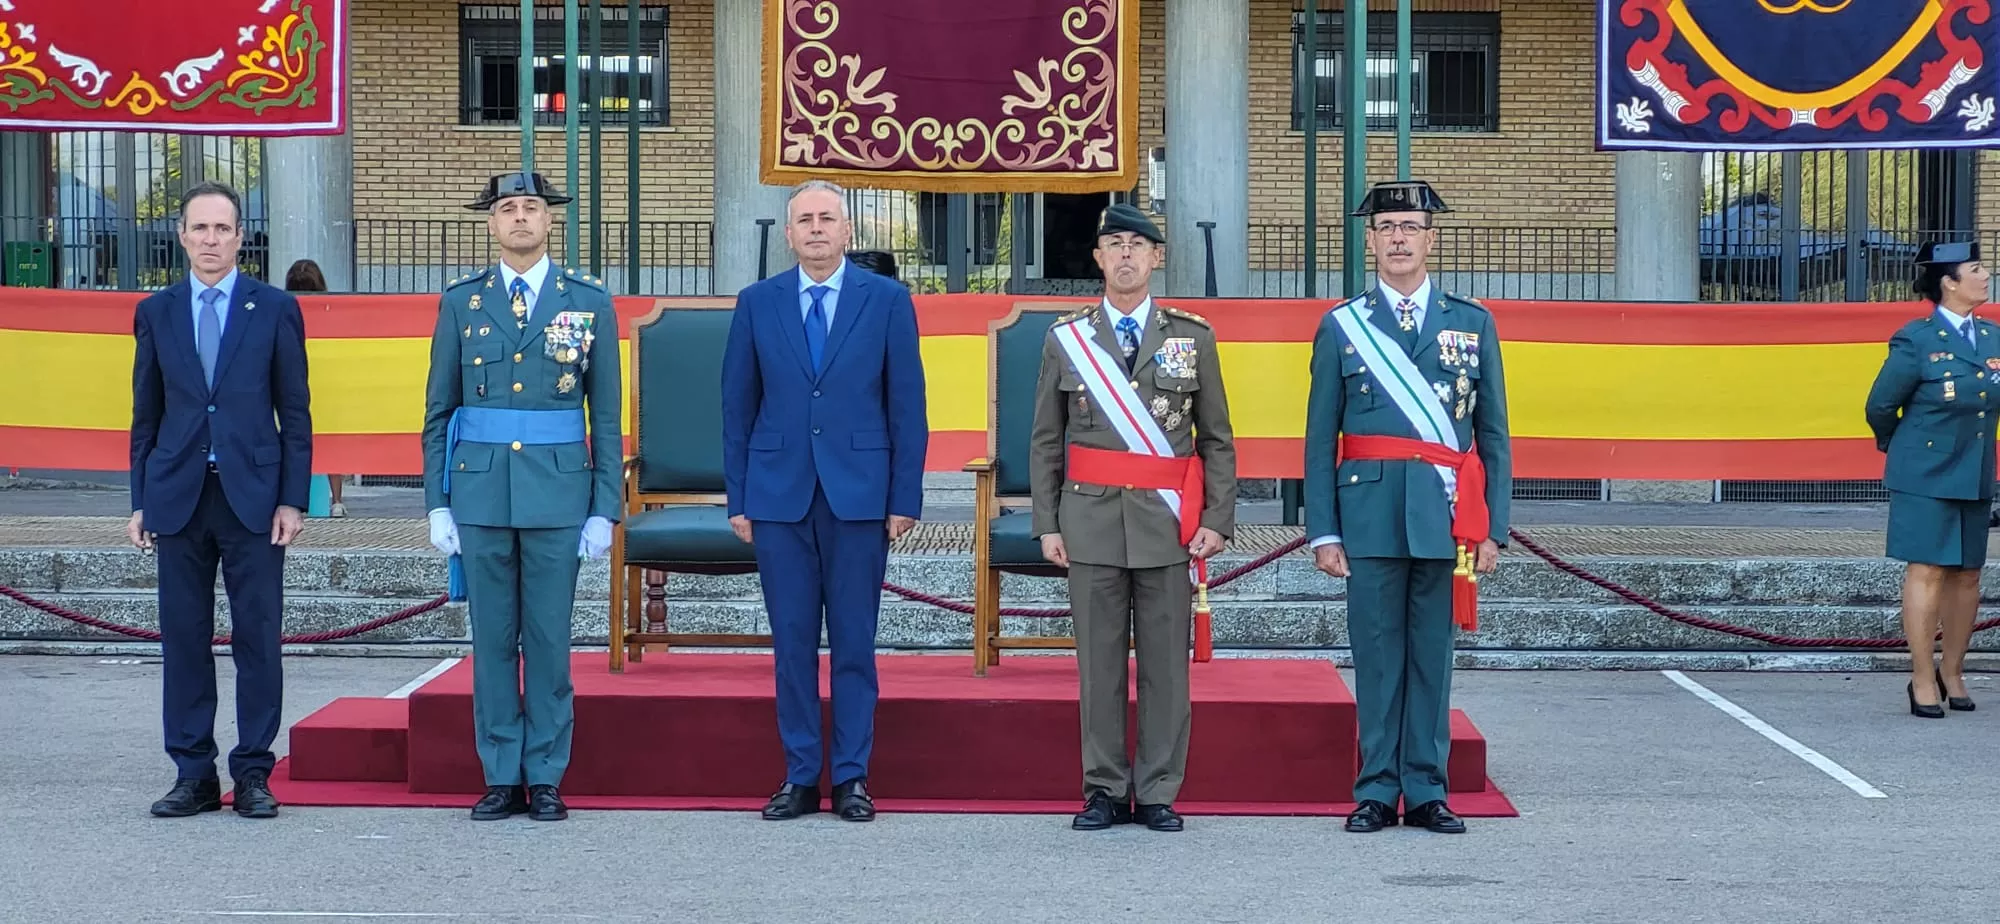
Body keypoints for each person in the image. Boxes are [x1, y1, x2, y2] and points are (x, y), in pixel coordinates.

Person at [1303, 180, 1511, 835]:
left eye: (1409, 227)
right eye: (1386, 226)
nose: (1397, 237)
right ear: (1370, 240)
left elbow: (1494, 433)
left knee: (1431, 658)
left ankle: (1425, 790)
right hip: (1365, 517)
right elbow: (1319, 437)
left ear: (1431, 239)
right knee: (1376, 655)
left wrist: (1494, 528)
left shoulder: (1471, 323)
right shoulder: (1342, 326)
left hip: (1444, 517)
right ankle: (1374, 789)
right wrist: (1322, 531)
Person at [721, 179, 929, 823]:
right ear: (788, 235)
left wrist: (904, 497)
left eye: (827, 218)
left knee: (855, 644)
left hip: (860, 496)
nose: (815, 228)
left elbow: (907, 407)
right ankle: (800, 775)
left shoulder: (888, 300)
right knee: (790, 645)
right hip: (778, 495)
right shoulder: (757, 303)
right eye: (804, 220)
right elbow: (737, 407)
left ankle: (853, 777)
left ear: (847, 232)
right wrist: (739, 497)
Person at [1027, 202, 1238, 833]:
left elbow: (1217, 438)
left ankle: (1158, 791)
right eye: (1113, 244)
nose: (1125, 255)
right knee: (1098, 665)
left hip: (1167, 524)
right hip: (1089, 522)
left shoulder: (1191, 336)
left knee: (1166, 668)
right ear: (1097, 258)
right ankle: (1103, 789)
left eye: (1136, 245)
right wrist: (1047, 523)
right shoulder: (1067, 339)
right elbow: (1044, 439)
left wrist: (1219, 519)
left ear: (1156, 257)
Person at [420, 171, 623, 822]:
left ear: (549, 221)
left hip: (559, 494)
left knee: (548, 643)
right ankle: (500, 773)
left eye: (531, 208)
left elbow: (607, 414)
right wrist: (437, 502)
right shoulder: (462, 303)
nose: (520, 219)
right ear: (491, 223)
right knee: (492, 643)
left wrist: (604, 506)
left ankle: (545, 775)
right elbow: (438, 410)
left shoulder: (587, 300)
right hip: (479, 494)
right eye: (507, 209)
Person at [128, 181, 312, 819]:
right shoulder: (156, 311)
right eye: (199, 228)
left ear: (241, 237)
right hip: (177, 496)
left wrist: (293, 499)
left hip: (254, 498)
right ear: (181, 235)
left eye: (222, 229)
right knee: (182, 638)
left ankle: (254, 773)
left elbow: (295, 410)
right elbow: (145, 415)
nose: (210, 240)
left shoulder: (276, 308)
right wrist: (140, 499)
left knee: (258, 636)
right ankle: (193, 772)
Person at [1864, 239, 1995, 718]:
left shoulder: (1993, 337)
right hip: (1923, 469)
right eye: (1977, 269)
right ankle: (1921, 676)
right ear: (1949, 282)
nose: (1986, 276)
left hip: (1974, 466)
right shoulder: (1916, 338)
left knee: (1967, 575)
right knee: (1928, 570)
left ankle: (1954, 670)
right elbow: (1880, 405)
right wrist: (1898, 445)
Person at [283, 259, 346, 517]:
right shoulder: (331, 310)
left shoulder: (283, 309)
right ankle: (337, 501)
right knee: (333, 442)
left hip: (293, 382)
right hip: (328, 384)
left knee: (293, 439)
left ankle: (290, 496)